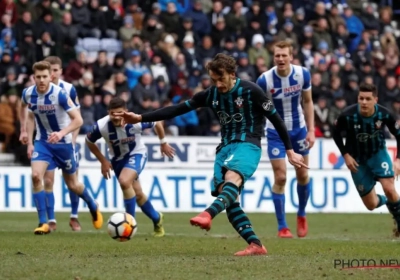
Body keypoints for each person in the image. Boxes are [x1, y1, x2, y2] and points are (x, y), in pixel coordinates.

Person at [114, 53, 308, 256]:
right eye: (213, 80)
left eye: (221, 79)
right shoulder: (210, 95)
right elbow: (176, 110)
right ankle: (256, 245)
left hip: (248, 145)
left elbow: (276, 119)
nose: (218, 84)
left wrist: (290, 150)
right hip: (224, 149)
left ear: (232, 74)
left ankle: (208, 213)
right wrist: (140, 118)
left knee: (233, 179)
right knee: (230, 199)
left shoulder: (251, 91)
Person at [19, 61, 103, 235]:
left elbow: (78, 120)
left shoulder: (60, 94)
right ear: (34, 77)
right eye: (38, 77)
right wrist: (25, 134)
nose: (41, 80)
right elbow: (26, 112)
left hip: (63, 144)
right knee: (36, 176)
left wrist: (61, 133)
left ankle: (92, 204)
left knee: (73, 185)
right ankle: (43, 223)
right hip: (43, 143)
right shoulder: (28, 93)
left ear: (51, 76)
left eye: (44, 76)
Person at [85, 97, 175, 237]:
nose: (116, 117)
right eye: (113, 113)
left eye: (120, 113)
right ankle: (157, 218)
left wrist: (163, 142)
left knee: (124, 181)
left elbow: (157, 122)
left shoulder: (135, 122)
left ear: (126, 111)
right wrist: (103, 161)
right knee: (137, 194)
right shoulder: (102, 126)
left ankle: (129, 224)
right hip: (117, 161)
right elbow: (89, 141)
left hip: (137, 154)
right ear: (108, 112)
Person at [256, 41, 315, 238]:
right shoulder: (264, 80)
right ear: (273, 57)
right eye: (277, 55)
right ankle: (282, 226)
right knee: (281, 177)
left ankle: (301, 213)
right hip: (275, 132)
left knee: (302, 175)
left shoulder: (302, 74)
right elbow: (258, 108)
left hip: (298, 131)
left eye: (284, 55)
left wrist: (311, 130)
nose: (280, 59)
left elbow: (307, 101)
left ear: (291, 56)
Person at [332, 83, 400, 236]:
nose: (363, 102)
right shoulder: (347, 115)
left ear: (375, 100)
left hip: (378, 154)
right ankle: (390, 202)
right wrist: (345, 155)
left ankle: (399, 220)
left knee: (389, 188)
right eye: (361, 98)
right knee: (371, 204)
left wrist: (398, 160)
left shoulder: (385, 114)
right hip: (357, 161)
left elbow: (398, 135)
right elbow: (335, 133)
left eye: (368, 99)